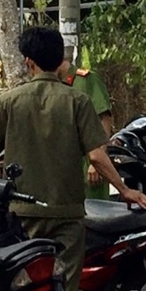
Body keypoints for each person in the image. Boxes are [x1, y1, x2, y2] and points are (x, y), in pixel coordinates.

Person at [0, 27, 146, 291]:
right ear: (59, 60)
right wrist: (125, 189)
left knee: (22, 279)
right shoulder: (78, 101)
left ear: (28, 62)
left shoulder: (8, 101)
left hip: (23, 213)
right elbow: (97, 155)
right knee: (68, 283)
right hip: (67, 213)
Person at [58, 52, 115, 200]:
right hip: (64, 166)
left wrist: (96, 162)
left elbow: (104, 119)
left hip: (89, 164)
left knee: (95, 214)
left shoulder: (86, 80)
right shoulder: (51, 85)